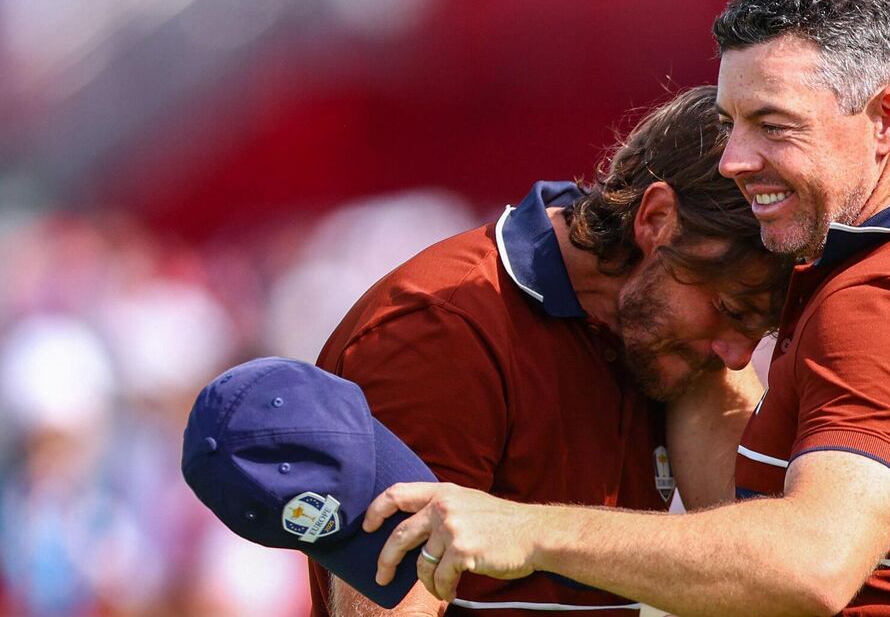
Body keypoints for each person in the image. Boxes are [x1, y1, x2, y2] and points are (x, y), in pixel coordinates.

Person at [366, 0, 890, 616]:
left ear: (888, 122)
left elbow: (812, 562)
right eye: (729, 125)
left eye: (773, 125)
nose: (734, 161)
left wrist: (529, 528)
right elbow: (745, 532)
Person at [310, 85, 793, 615]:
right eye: (730, 307)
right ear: (656, 221)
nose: (737, 356)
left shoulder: (659, 338)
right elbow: (389, 603)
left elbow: (767, 582)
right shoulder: (441, 333)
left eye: (759, 329)